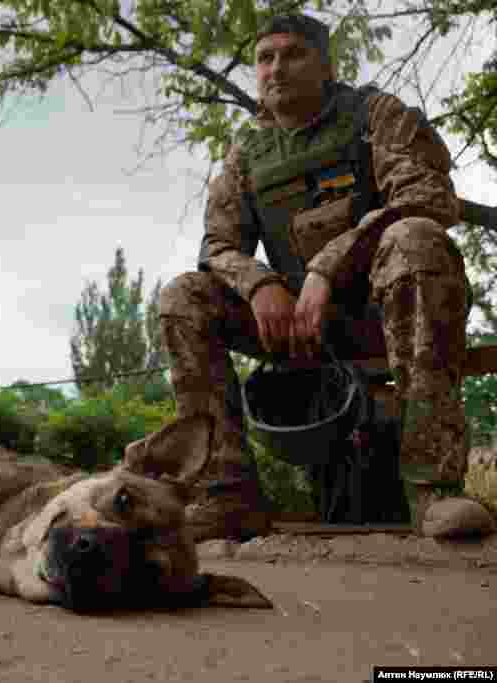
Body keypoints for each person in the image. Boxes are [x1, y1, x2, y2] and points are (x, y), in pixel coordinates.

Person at [158, 13, 486, 540]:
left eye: (293, 54)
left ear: (327, 66)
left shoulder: (376, 115)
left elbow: (426, 198)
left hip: (392, 315)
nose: (276, 68)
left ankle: (434, 490)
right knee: (183, 297)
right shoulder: (247, 154)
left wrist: (326, 268)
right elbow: (217, 245)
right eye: (265, 59)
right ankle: (225, 495)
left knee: (416, 238)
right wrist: (260, 284)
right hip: (298, 330)